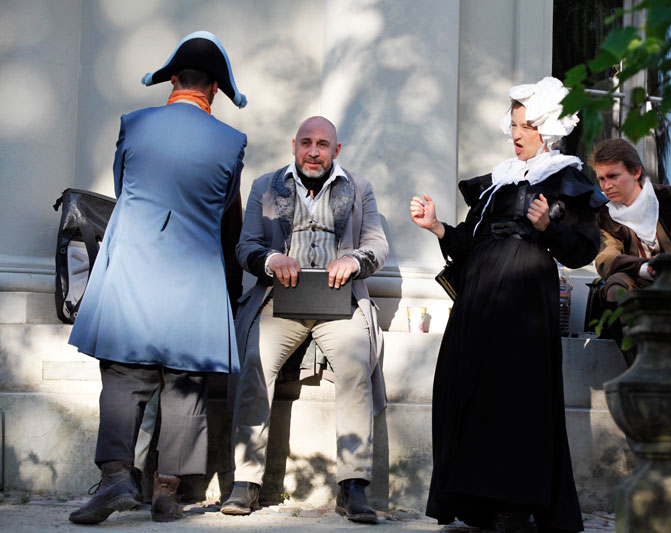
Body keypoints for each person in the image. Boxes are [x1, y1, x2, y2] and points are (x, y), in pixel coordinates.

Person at [410, 77, 606, 532]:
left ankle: (514, 504)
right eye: (513, 124)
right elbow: (471, 240)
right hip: (478, 296)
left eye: (524, 125)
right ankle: (474, 500)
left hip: (524, 297)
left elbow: (582, 249)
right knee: (467, 390)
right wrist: (438, 227)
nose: (515, 134)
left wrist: (547, 229)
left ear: (547, 128)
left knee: (516, 398)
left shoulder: (565, 177)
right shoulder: (498, 180)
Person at [67, 31, 247, 524]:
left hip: (133, 270)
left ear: (172, 80)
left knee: (125, 377)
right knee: (185, 382)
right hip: (195, 279)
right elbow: (222, 208)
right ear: (214, 88)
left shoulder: (135, 124)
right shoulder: (232, 142)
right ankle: (169, 493)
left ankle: (117, 479)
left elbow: (125, 187)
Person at [220, 116, 388, 524]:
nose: (314, 152)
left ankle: (353, 485)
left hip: (339, 301)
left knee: (354, 366)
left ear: (337, 150)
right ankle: (246, 481)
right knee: (256, 363)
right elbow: (247, 246)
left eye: (323, 144)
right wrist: (271, 260)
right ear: (294, 145)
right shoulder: (266, 185)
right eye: (307, 143)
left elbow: (377, 244)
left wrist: (354, 260)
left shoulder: (360, 187)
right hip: (281, 299)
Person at [590, 138, 671, 366]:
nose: (606, 186)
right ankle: (639, 367)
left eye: (613, 176)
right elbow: (606, 260)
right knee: (614, 286)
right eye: (601, 179)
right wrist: (644, 269)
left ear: (636, 172)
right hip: (637, 286)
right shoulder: (604, 216)